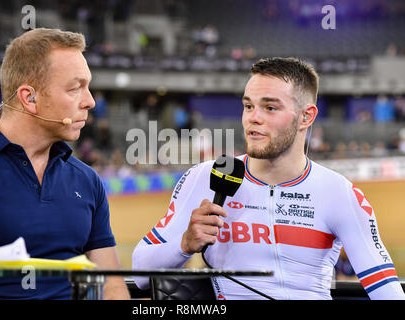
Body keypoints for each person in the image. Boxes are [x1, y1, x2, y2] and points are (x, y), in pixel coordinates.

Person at [132, 57, 405, 300]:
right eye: (248, 106)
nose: (253, 118)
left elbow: (385, 288)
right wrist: (184, 244)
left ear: (306, 117)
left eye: (270, 108)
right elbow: (140, 273)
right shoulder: (205, 177)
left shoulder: (339, 192)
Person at [0, 28, 130, 300]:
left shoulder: (87, 180)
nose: (91, 101)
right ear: (29, 98)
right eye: (75, 89)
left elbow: (112, 285)